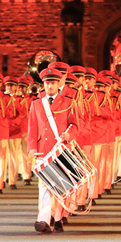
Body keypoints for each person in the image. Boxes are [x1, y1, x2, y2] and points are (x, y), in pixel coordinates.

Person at [27, 67, 79, 233]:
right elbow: (32, 127)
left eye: (53, 83)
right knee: (44, 185)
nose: (50, 86)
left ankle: (58, 218)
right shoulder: (36, 103)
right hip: (43, 149)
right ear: (43, 84)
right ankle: (43, 220)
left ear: (58, 84)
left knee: (60, 184)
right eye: (47, 83)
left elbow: (76, 125)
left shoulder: (69, 101)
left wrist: (68, 135)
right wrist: (32, 148)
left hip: (60, 148)